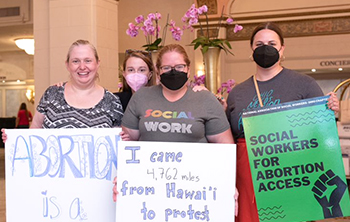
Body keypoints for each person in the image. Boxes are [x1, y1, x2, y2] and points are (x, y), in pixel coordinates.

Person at [225, 22, 339, 222]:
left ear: (282, 48)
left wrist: (330, 110)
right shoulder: (237, 93)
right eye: (259, 44)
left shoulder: (304, 84)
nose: (265, 48)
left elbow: (319, 136)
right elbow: (227, 140)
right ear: (251, 50)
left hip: (289, 175)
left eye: (271, 43)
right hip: (247, 179)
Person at [113, 44, 236, 203]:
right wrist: (124, 178)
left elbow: (224, 147)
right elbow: (127, 143)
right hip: (148, 191)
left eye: (179, 66)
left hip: (195, 192)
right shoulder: (141, 97)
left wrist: (228, 185)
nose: (173, 72)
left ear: (188, 69)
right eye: (166, 67)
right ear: (158, 71)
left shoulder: (205, 100)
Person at [2, 39, 124, 141]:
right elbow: (34, 131)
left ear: (97, 63)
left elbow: (118, 143)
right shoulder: (52, 94)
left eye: (88, 61)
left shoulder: (112, 102)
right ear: (67, 65)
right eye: (75, 61)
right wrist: (14, 140)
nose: (82, 66)